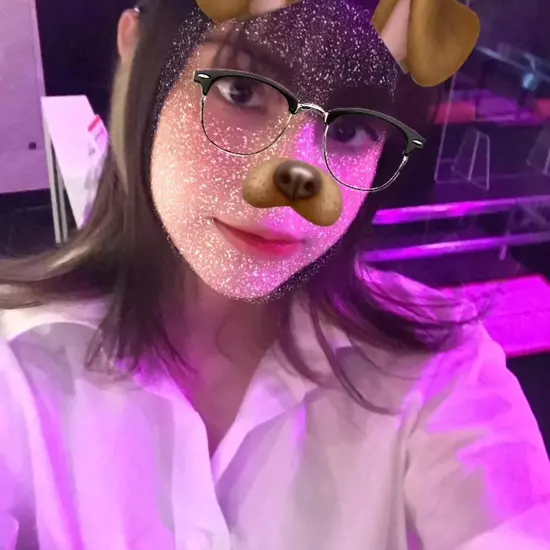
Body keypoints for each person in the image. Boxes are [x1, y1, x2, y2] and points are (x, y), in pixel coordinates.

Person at [0, 0, 549, 549]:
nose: (294, 179)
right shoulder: (17, 364)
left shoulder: (440, 370)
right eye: (241, 91)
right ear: (138, 49)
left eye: (351, 128)